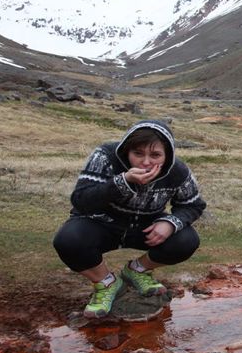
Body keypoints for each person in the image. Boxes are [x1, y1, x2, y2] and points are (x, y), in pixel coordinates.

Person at [53, 120, 206, 318]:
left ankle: (137, 270)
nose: (146, 162)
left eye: (156, 155)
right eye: (138, 153)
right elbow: (81, 200)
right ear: (127, 150)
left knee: (186, 240)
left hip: (145, 227)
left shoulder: (177, 171)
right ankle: (106, 283)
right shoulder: (106, 156)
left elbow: (193, 205)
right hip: (101, 223)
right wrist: (122, 182)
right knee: (68, 240)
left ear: (167, 156)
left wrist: (170, 223)